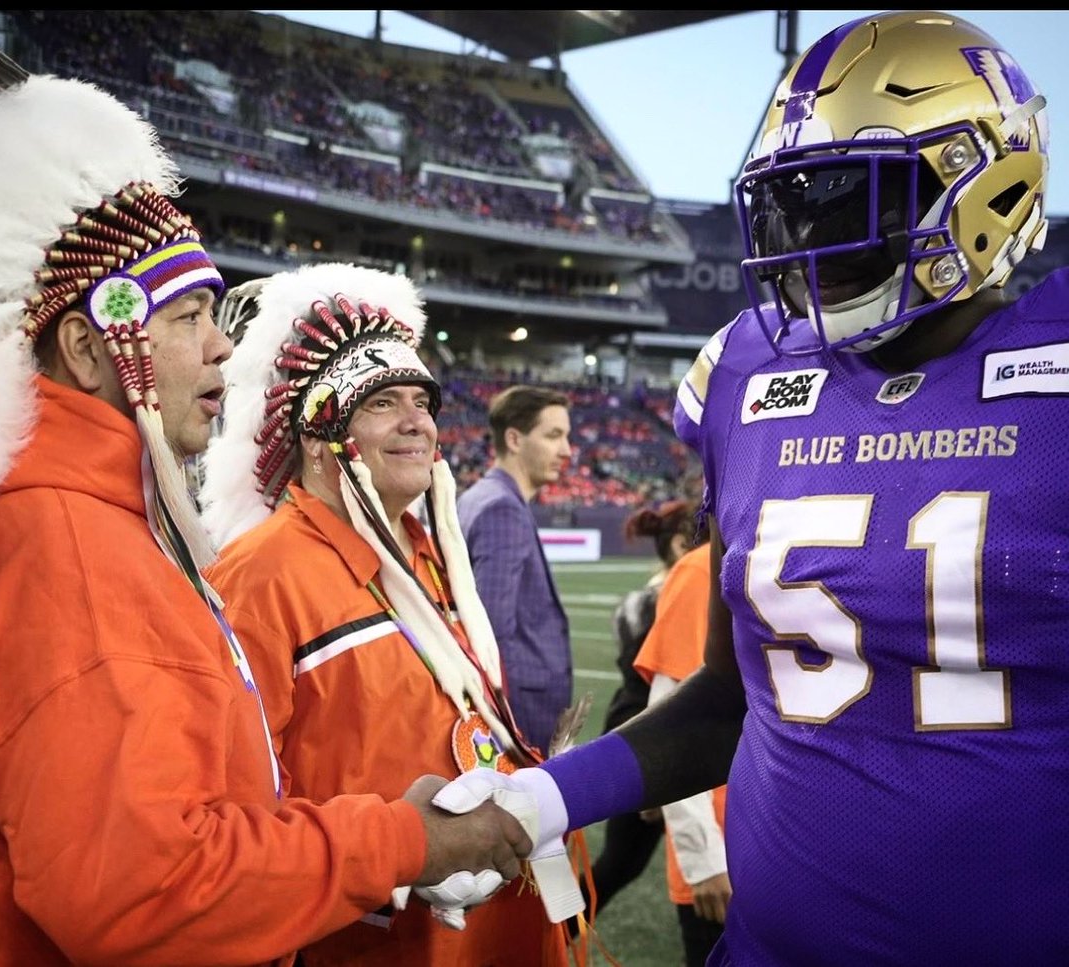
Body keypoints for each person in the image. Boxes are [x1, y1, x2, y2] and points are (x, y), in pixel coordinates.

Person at [0, 15, 531, 964]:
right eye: (186, 315)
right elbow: (143, 890)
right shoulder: (60, 542)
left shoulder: (83, 518)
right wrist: (404, 837)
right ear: (91, 344)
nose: (222, 343)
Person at [430, 11, 1069, 965]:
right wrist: (533, 801)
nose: (805, 235)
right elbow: (733, 694)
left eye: (845, 197)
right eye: (789, 203)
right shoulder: (747, 372)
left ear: (984, 182)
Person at [198, 265, 570, 967]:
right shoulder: (260, 575)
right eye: (382, 403)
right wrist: (387, 862)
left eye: (421, 401)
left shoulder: (430, 553)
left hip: (481, 931)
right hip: (359, 944)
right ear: (317, 439)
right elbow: (238, 812)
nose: (416, 421)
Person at [577, 500, 701, 931]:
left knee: (623, 862)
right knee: (620, 863)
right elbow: (664, 685)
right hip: (649, 738)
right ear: (683, 544)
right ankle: (550, 935)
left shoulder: (649, 596)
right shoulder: (665, 598)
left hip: (644, 730)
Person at [631, 514, 728, 967]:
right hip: (724, 850)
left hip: (777, 843)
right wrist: (702, 855)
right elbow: (675, 727)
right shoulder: (699, 571)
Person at [456, 385, 573, 757]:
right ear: (514, 439)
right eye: (553, 436)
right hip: (521, 706)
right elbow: (491, 628)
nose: (566, 451)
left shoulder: (479, 496)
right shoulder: (501, 508)